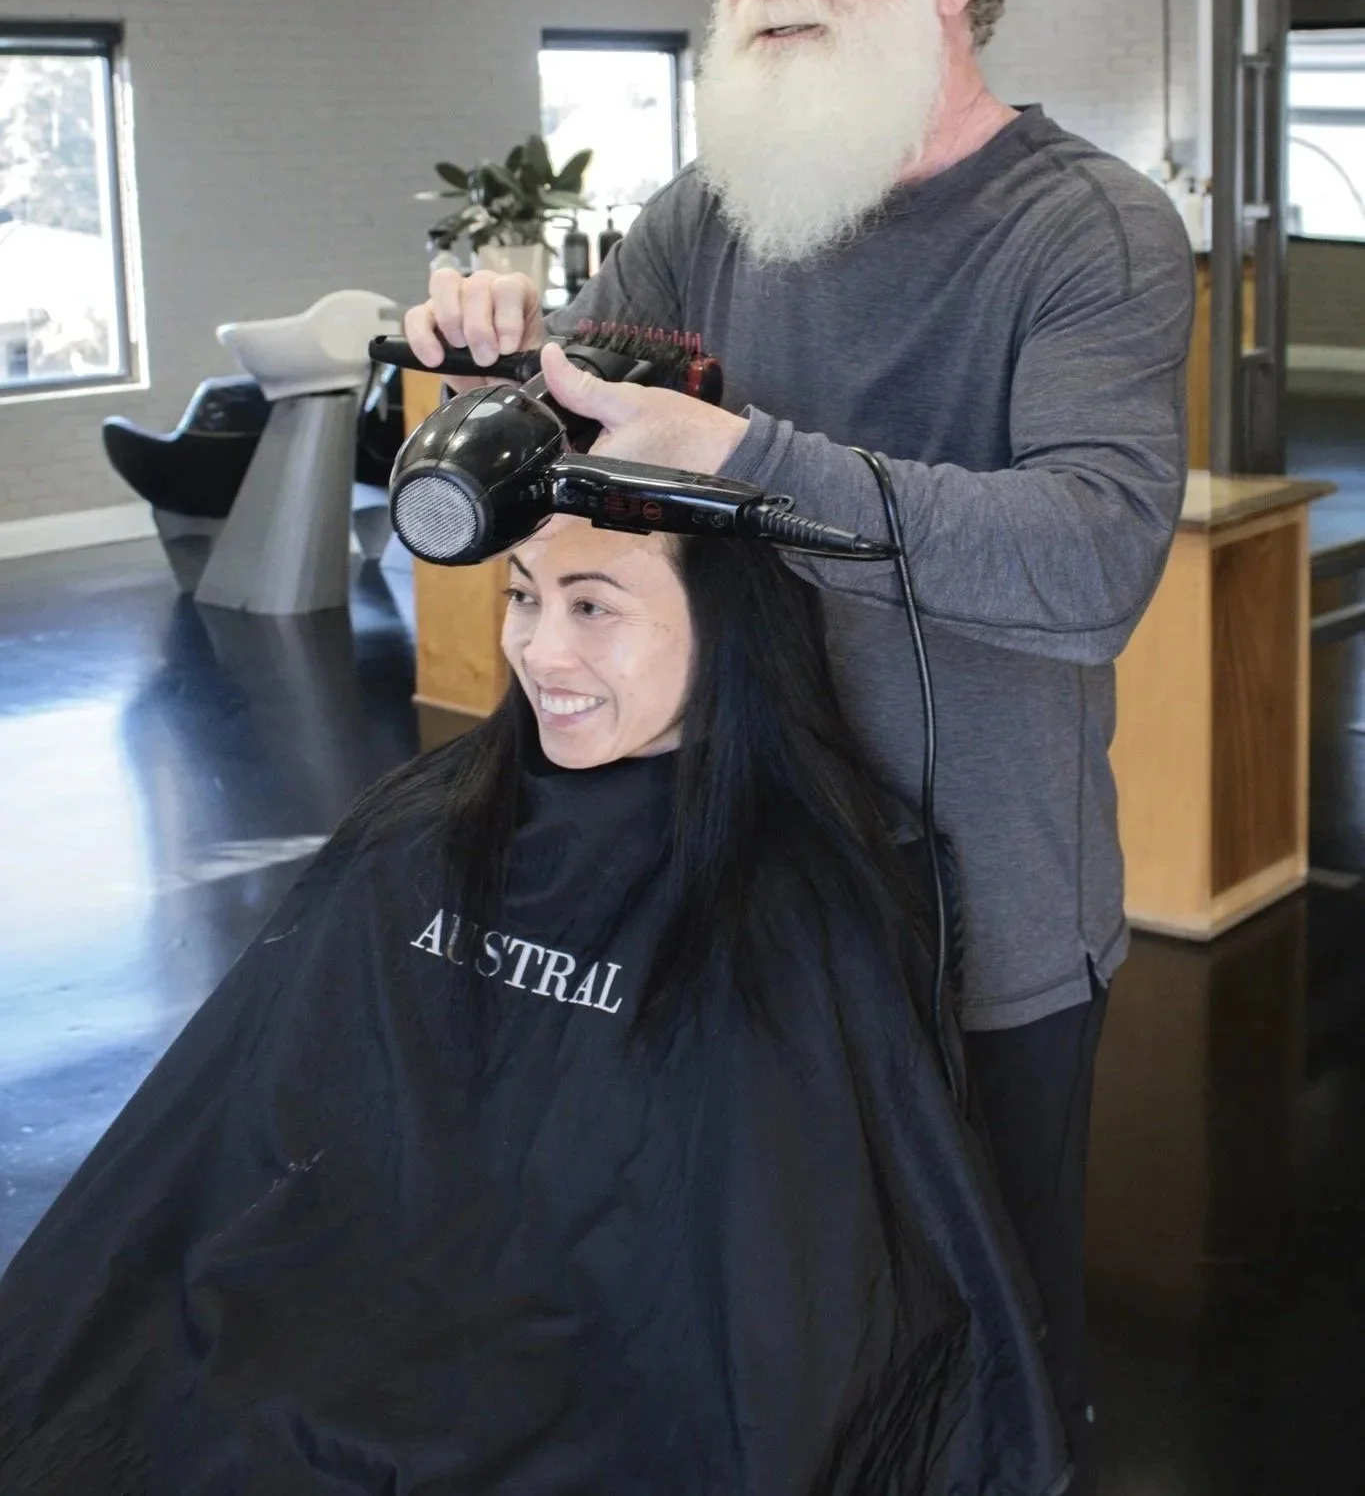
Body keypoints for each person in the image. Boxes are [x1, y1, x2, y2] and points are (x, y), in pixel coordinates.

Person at [402, 0, 1195, 1495]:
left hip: (978, 919)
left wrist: (754, 456)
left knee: (983, 1352)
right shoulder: (710, 219)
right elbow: (591, 444)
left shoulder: (1091, 235)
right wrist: (500, 361)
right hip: (741, 879)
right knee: (768, 1322)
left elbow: (1087, 566)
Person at [0, 516, 1069, 1495]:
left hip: (609, 1378)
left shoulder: (795, 906)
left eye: (594, 606)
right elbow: (267, 1113)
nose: (539, 652)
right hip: (364, 1302)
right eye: (523, 596)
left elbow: (783, 1293)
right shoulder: (424, 830)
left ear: (731, 627)